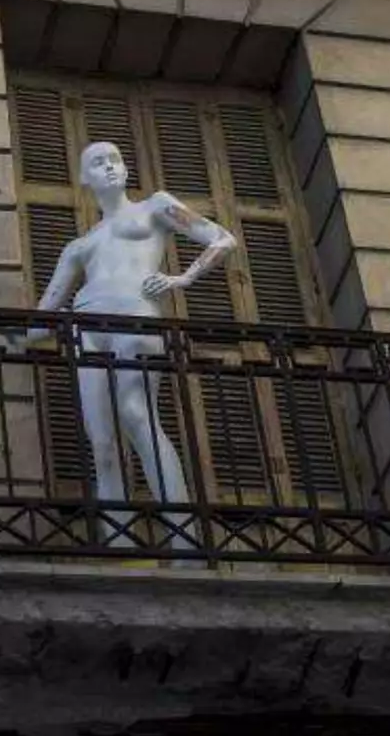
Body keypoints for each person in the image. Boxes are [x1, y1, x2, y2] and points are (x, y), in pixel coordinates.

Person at [31, 140, 238, 546]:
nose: (109, 167)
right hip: (86, 327)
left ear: (126, 169)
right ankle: (120, 545)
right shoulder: (78, 246)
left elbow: (222, 239)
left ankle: (186, 542)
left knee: (138, 416)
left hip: (135, 317)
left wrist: (183, 279)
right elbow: (40, 319)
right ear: (83, 178)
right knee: (102, 440)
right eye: (97, 162)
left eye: (115, 160)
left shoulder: (155, 206)